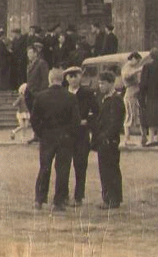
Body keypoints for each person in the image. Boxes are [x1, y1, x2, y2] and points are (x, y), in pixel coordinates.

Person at [31, 68, 78, 212]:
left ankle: (39, 199)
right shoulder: (71, 97)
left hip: (47, 136)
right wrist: (69, 134)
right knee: (63, 169)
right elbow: (76, 120)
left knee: (44, 167)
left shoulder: (40, 96)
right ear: (62, 80)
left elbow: (34, 119)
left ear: (50, 80)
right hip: (65, 137)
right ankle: (58, 201)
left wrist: (41, 133)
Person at [64, 65, 97, 208]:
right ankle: (63, 195)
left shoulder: (87, 93)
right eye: (70, 76)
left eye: (75, 76)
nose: (73, 79)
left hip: (81, 134)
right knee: (63, 166)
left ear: (80, 77)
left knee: (80, 165)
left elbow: (96, 111)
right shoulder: (63, 93)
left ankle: (78, 196)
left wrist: (87, 121)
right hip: (66, 134)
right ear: (66, 78)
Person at [93, 71, 125, 210]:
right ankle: (110, 198)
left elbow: (115, 122)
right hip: (103, 139)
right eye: (99, 83)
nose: (100, 86)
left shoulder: (115, 100)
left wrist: (105, 136)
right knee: (105, 169)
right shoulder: (104, 98)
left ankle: (112, 199)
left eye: (103, 83)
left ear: (111, 83)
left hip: (109, 140)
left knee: (110, 170)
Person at [25, 44, 49, 144]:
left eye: (31, 53)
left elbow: (45, 79)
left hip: (38, 94)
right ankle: (36, 134)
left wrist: (41, 93)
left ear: (36, 53)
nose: (29, 55)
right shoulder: (29, 65)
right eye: (28, 53)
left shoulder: (41, 63)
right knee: (33, 116)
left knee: (39, 115)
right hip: (30, 94)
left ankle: (41, 135)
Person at [120, 52, 143, 146]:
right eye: (137, 61)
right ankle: (127, 138)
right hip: (130, 93)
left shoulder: (133, 67)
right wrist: (138, 70)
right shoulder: (126, 67)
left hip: (136, 93)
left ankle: (142, 137)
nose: (138, 63)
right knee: (130, 115)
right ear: (133, 58)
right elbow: (127, 75)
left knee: (137, 114)